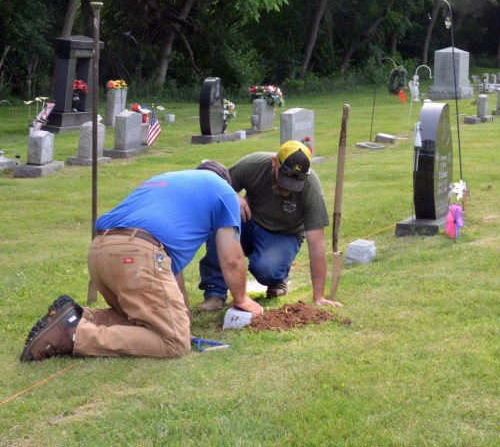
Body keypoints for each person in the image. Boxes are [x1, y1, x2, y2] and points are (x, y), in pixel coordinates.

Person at [20, 161, 262, 361]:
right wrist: (241, 299)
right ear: (226, 182)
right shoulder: (224, 191)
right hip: (138, 255)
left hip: (100, 250)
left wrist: (181, 316)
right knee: (175, 343)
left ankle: (77, 316)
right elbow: (232, 259)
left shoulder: (168, 180)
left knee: (138, 318)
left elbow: (168, 271)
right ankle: (74, 335)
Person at [198, 140, 342, 311]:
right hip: (247, 223)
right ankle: (215, 291)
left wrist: (319, 296)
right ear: (275, 162)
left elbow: (317, 246)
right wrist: (234, 195)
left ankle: (277, 279)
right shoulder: (252, 165)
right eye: (284, 179)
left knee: (267, 270)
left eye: (294, 183)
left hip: (284, 234)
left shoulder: (312, 190)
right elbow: (218, 187)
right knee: (221, 220)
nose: (288, 187)